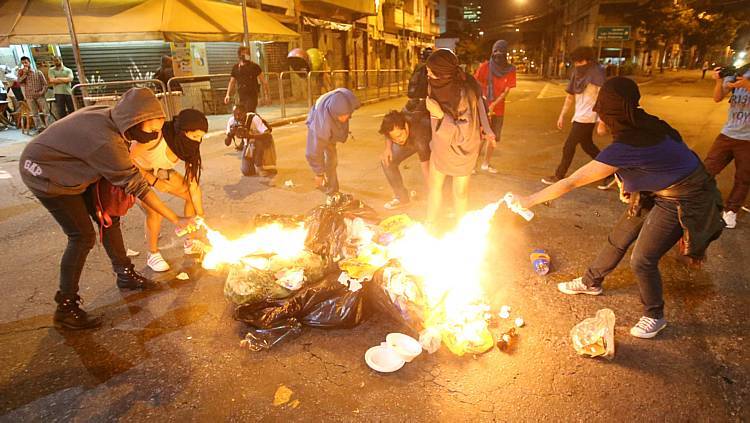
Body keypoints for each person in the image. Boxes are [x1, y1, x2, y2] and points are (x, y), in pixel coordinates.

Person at [513, 77, 724, 339]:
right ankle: (591, 282)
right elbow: (645, 161)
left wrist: (528, 200)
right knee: (619, 237)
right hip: (659, 189)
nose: (597, 114)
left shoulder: (629, 144)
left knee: (643, 259)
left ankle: (654, 315)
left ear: (611, 112)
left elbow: (572, 181)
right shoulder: (642, 122)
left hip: (683, 197)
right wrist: (628, 181)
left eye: (601, 110)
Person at [19, 87, 197, 329]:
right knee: (81, 236)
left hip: (76, 168)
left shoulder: (115, 119)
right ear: (134, 122)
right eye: (153, 131)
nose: (156, 135)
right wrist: (177, 218)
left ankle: (125, 274)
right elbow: (139, 186)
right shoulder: (106, 141)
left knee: (109, 217)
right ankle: (66, 307)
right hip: (45, 173)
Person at [130, 109, 208, 272]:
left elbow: (193, 183)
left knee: (190, 195)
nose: (198, 141)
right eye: (194, 136)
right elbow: (125, 160)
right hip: (133, 174)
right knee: (154, 211)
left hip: (157, 170)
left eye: (201, 137)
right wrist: (154, 181)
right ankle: (152, 254)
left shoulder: (187, 147)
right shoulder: (155, 137)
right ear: (182, 131)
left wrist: (200, 214)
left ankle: (190, 242)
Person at [424, 49, 495, 227]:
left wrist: (440, 115)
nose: (428, 74)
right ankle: (430, 221)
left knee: (460, 193)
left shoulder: (464, 94)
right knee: (434, 187)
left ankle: (460, 227)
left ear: (442, 73)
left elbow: (464, 133)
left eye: (431, 71)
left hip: (463, 149)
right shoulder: (435, 83)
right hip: (440, 146)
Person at [542, 47, 609, 189]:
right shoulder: (577, 74)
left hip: (589, 116)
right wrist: (562, 115)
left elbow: (603, 99)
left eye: (579, 62)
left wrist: (601, 121)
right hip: (579, 115)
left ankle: (559, 175)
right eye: (575, 63)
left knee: (569, 146)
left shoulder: (597, 73)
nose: (577, 65)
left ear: (587, 60)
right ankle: (610, 172)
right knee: (588, 146)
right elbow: (570, 96)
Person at [703, 66, 750, 229]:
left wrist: (747, 86)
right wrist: (719, 80)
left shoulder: (744, 79)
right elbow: (717, 98)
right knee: (706, 170)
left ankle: (731, 211)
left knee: (743, 178)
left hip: (748, 140)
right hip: (728, 133)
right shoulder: (740, 72)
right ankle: (700, 202)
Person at [305, 88, 360, 194]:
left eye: (347, 114)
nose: (344, 118)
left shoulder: (347, 99)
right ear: (334, 113)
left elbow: (345, 110)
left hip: (330, 119)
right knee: (329, 155)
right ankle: (332, 188)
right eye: (341, 116)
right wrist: (318, 173)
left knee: (331, 158)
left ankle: (330, 182)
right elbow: (313, 150)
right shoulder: (321, 125)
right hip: (318, 119)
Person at [474, 39, 516, 174]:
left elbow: (506, 91)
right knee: (481, 138)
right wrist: (483, 101)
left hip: (498, 109)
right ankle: (472, 165)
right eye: (495, 52)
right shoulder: (485, 67)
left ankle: (486, 164)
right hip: (483, 108)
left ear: (505, 54)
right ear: (492, 52)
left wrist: (494, 104)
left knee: (493, 138)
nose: (498, 55)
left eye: (501, 52)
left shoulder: (510, 69)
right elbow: (475, 84)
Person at [379, 110, 431, 209]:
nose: (398, 140)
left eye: (399, 135)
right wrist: (388, 148)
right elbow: (388, 134)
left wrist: (433, 195)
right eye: (394, 139)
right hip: (410, 139)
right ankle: (402, 198)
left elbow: (426, 168)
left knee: (438, 173)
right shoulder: (397, 121)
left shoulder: (420, 138)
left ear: (406, 126)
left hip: (430, 139)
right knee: (387, 161)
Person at [224, 104, 276, 177]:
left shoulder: (253, 118)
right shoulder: (232, 121)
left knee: (256, 142)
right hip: (248, 145)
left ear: (245, 112)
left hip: (263, 143)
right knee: (246, 171)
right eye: (235, 114)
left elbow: (267, 134)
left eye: (240, 114)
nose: (238, 117)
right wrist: (230, 134)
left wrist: (250, 136)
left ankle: (260, 166)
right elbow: (227, 143)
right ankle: (255, 163)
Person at [224, 46, 270, 113]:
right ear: (240, 55)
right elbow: (232, 82)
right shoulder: (236, 68)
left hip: (252, 94)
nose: (247, 55)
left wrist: (267, 95)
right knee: (244, 114)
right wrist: (227, 94)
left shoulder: (254, 66)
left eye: (248, 53)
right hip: (242, 95)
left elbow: (264, 81)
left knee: (249, 111)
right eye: (244, 53)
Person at [16, 56, 49, 133]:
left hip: (39, 95)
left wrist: (42, 92)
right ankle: (39, 128)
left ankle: (49, 127)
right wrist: (25, 74)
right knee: (35, 114)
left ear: (29, 62)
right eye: (23, 63)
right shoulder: (21, 73)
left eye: (26, 62)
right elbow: (19, 82)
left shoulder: (38, 72)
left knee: (46, 112)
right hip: (29, 96)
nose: (24, 64)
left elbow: (45, 84)